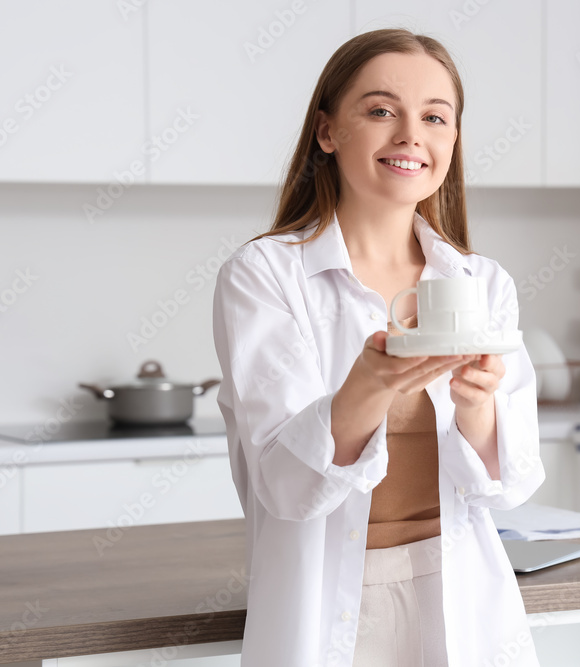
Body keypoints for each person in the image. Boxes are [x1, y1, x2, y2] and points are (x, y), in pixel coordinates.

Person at [212, 28, 545, 667]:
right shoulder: (265, 276)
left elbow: (514, 483)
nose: (410, 135)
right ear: (328, 131)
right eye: (381, 110)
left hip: (462, 601)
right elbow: (283, 487)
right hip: (331, 606)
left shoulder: (480, 284)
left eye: (434, 117)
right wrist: (368, 384)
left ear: (452, 139)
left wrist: (477, 409)